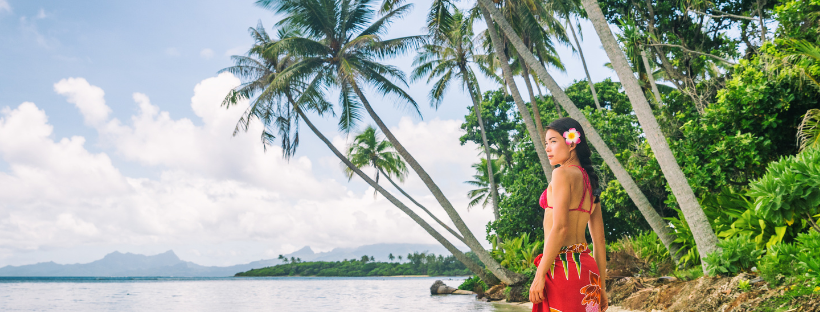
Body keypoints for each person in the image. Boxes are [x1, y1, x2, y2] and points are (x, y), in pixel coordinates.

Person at [530, 117, 608, 312]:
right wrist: (602, 287)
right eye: (546, 143)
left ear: (572, 143)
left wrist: (539, 276)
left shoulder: (561, 174)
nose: (547, 148)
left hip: (562, 269)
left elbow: (560, 227)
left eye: (553, 141)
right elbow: (599, 242)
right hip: (588, 270)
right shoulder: (591, 182)